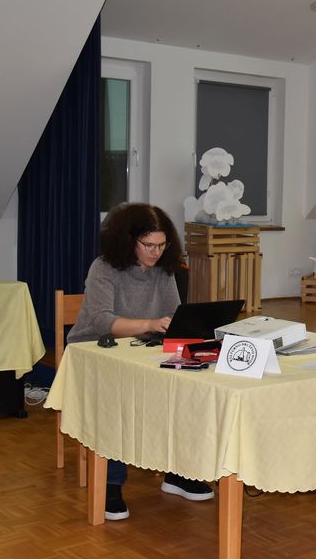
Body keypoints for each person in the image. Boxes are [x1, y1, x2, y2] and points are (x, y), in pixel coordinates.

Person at [68, 202, 214, 521]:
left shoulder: (163, 270)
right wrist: (150, 324)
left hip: (142, 349)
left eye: (162, 245)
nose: (156, 252)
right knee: (117, 399)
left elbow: (174, 314)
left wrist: (189, 329)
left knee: (185, 388)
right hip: (95, 350)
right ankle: (110, 483)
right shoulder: (104, 268)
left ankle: (177, 472)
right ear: (128, 240)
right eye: (148, 245)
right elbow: (102, 321)